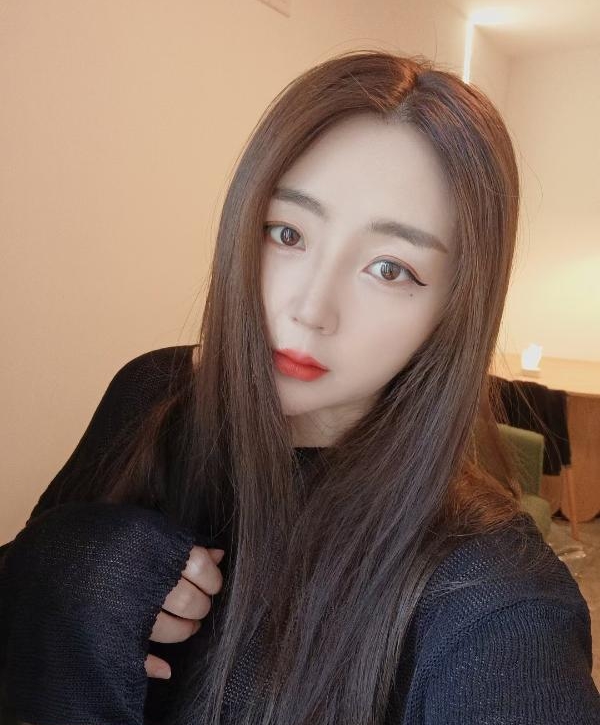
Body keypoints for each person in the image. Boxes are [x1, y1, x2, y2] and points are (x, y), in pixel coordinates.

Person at [1, 50, 599, 725]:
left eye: (390, 269)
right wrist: (75, 565)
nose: (312, 309)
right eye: (286, 233)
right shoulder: (152, 392)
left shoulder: (492, 592)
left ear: (454, 308)